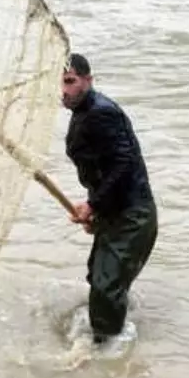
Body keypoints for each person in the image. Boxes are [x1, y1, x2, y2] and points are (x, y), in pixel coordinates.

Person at [61, 53, 159, 344]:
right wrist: (97, 210)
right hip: (114, 211)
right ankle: (107, 339)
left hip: (133, 215)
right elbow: (101, 169)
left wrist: (93, 205)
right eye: (60, 84)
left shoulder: (102, 112)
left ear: (88, 80)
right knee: (99, 278)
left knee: (105, 287)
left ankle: (107, 359)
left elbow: (124, 164)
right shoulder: (82, 113)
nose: (64, 90)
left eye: (70, 81)